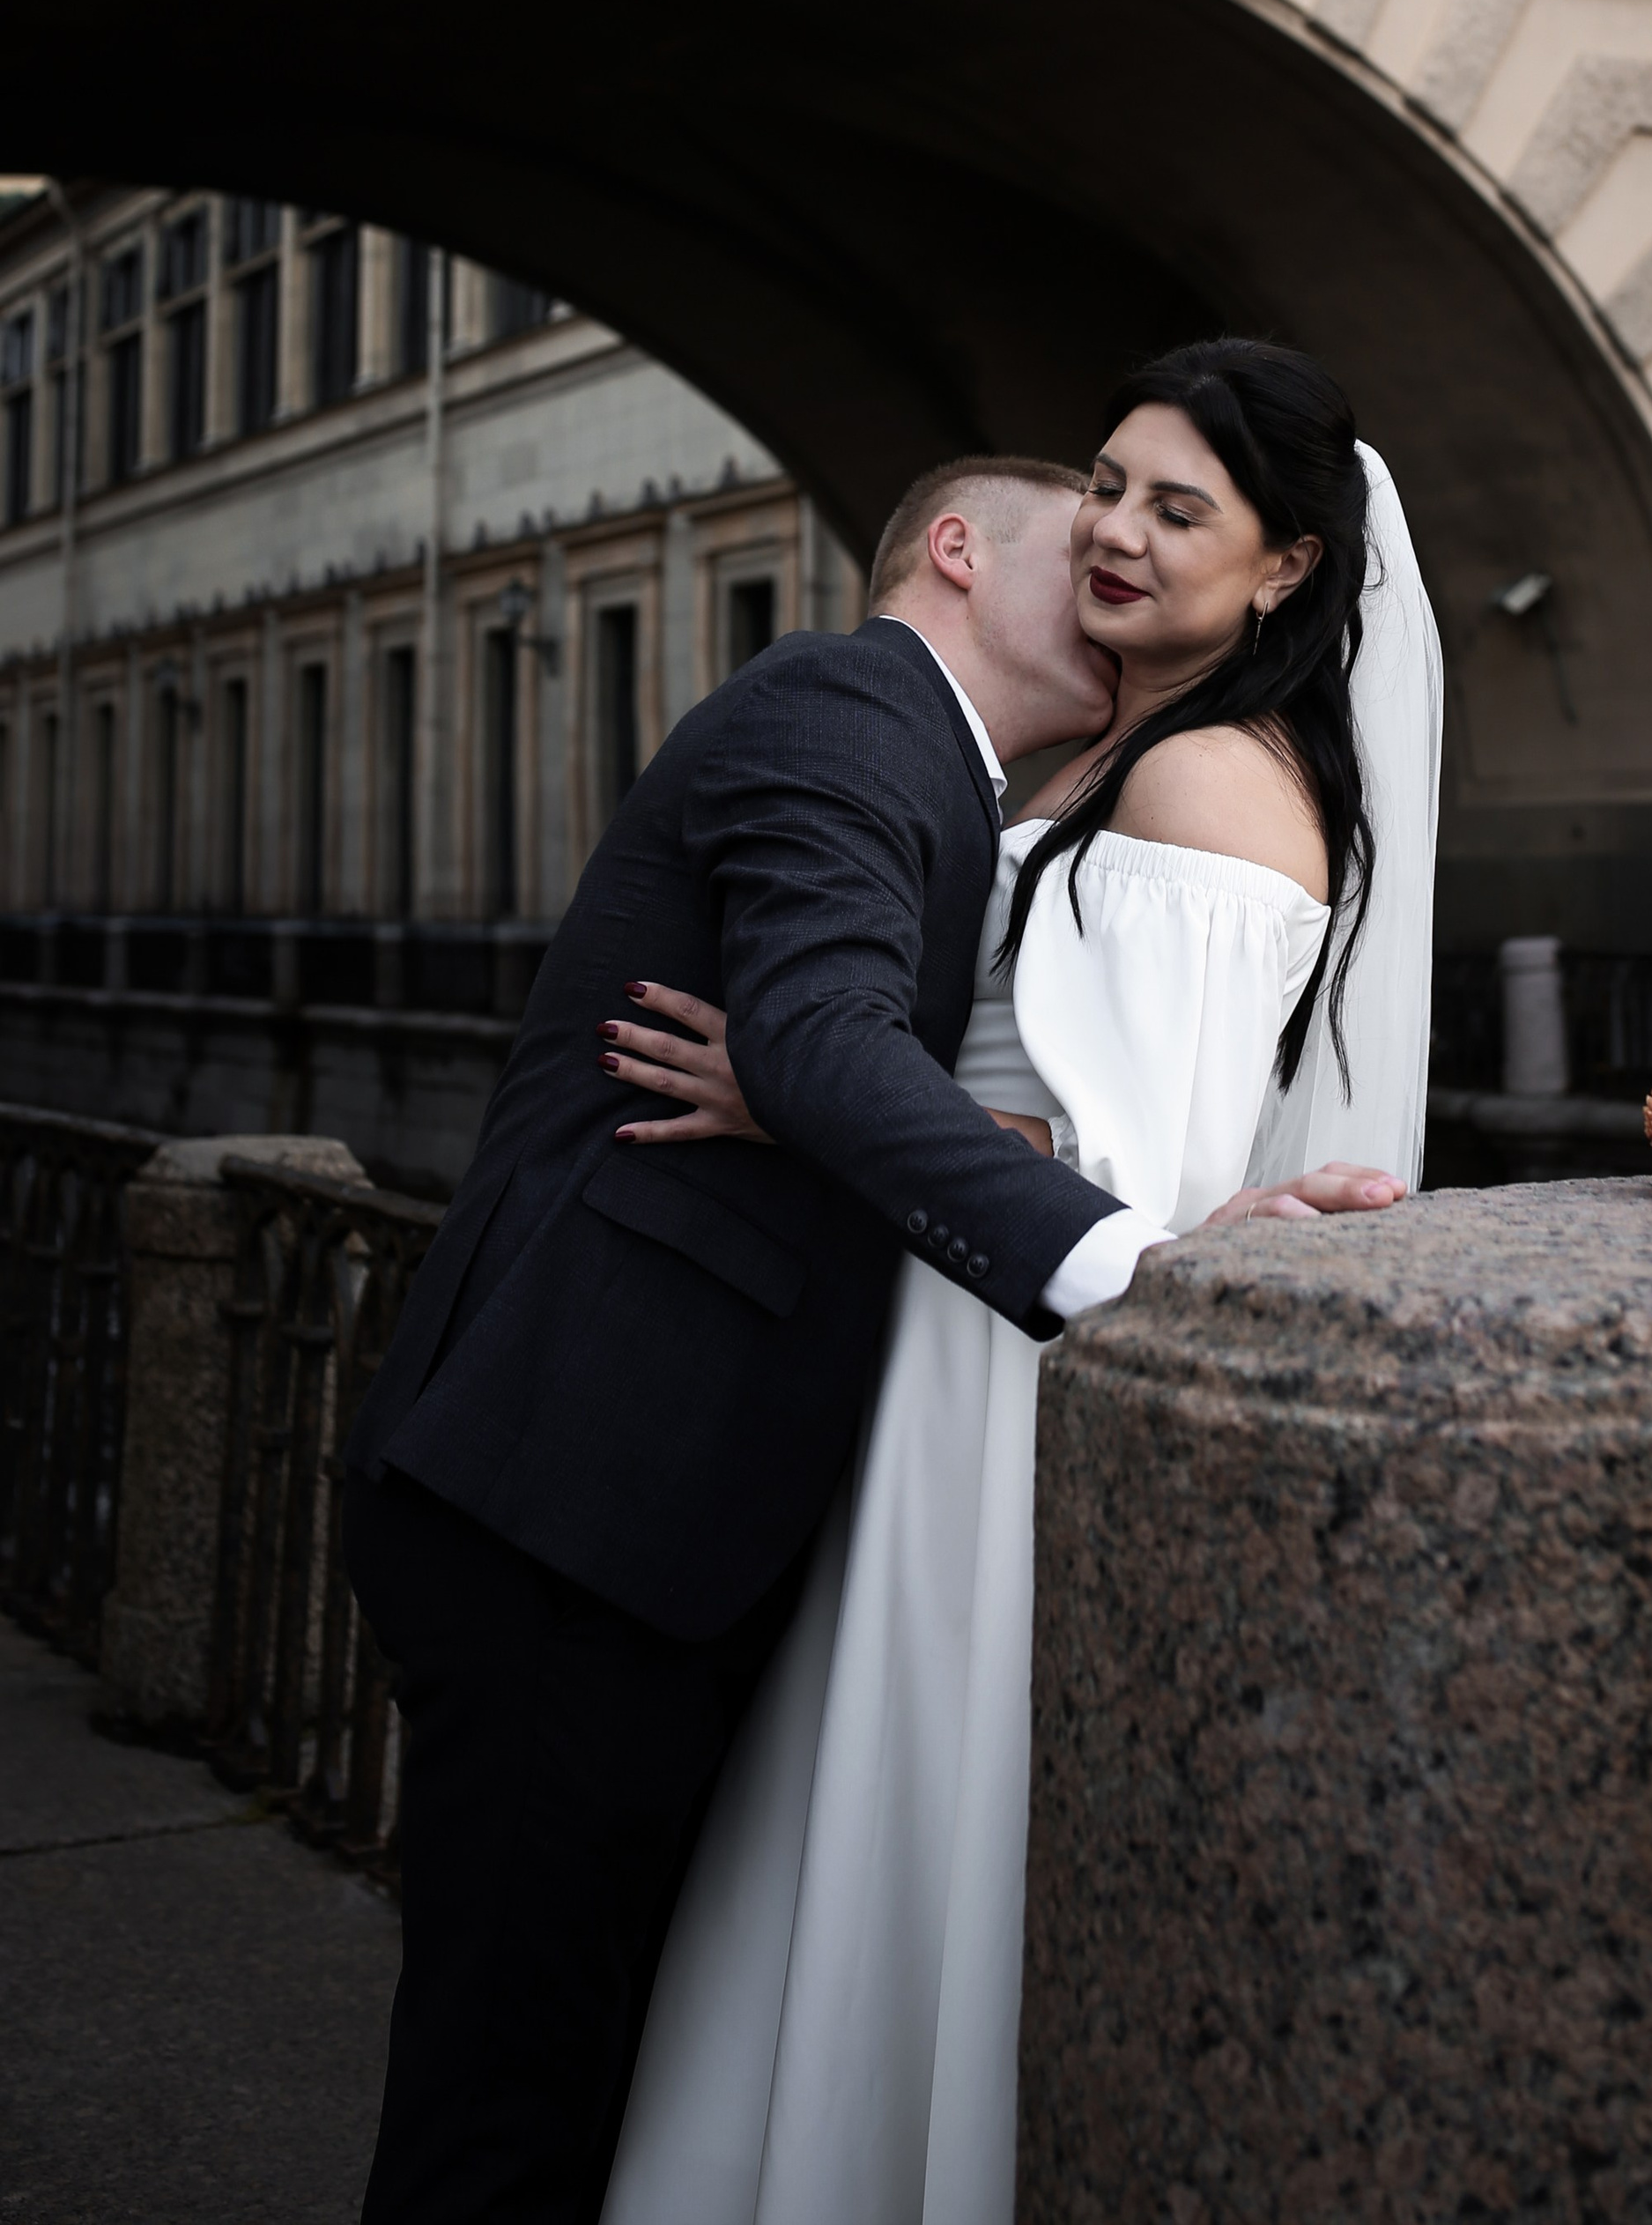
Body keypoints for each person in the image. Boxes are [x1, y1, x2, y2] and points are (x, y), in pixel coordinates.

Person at [343, 404, 1410, 2225]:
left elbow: (868, 1061)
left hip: (678, 1498)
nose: (1107, 569)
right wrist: (1127, 1265)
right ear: (954, 555)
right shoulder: (849, 706)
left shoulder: (1006, 780)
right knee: (507, 2076)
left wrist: (889, 1103)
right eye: (1079, 529)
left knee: (586, 2035)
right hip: (578, 1493)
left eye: (1159, 520)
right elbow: (832, 1032)